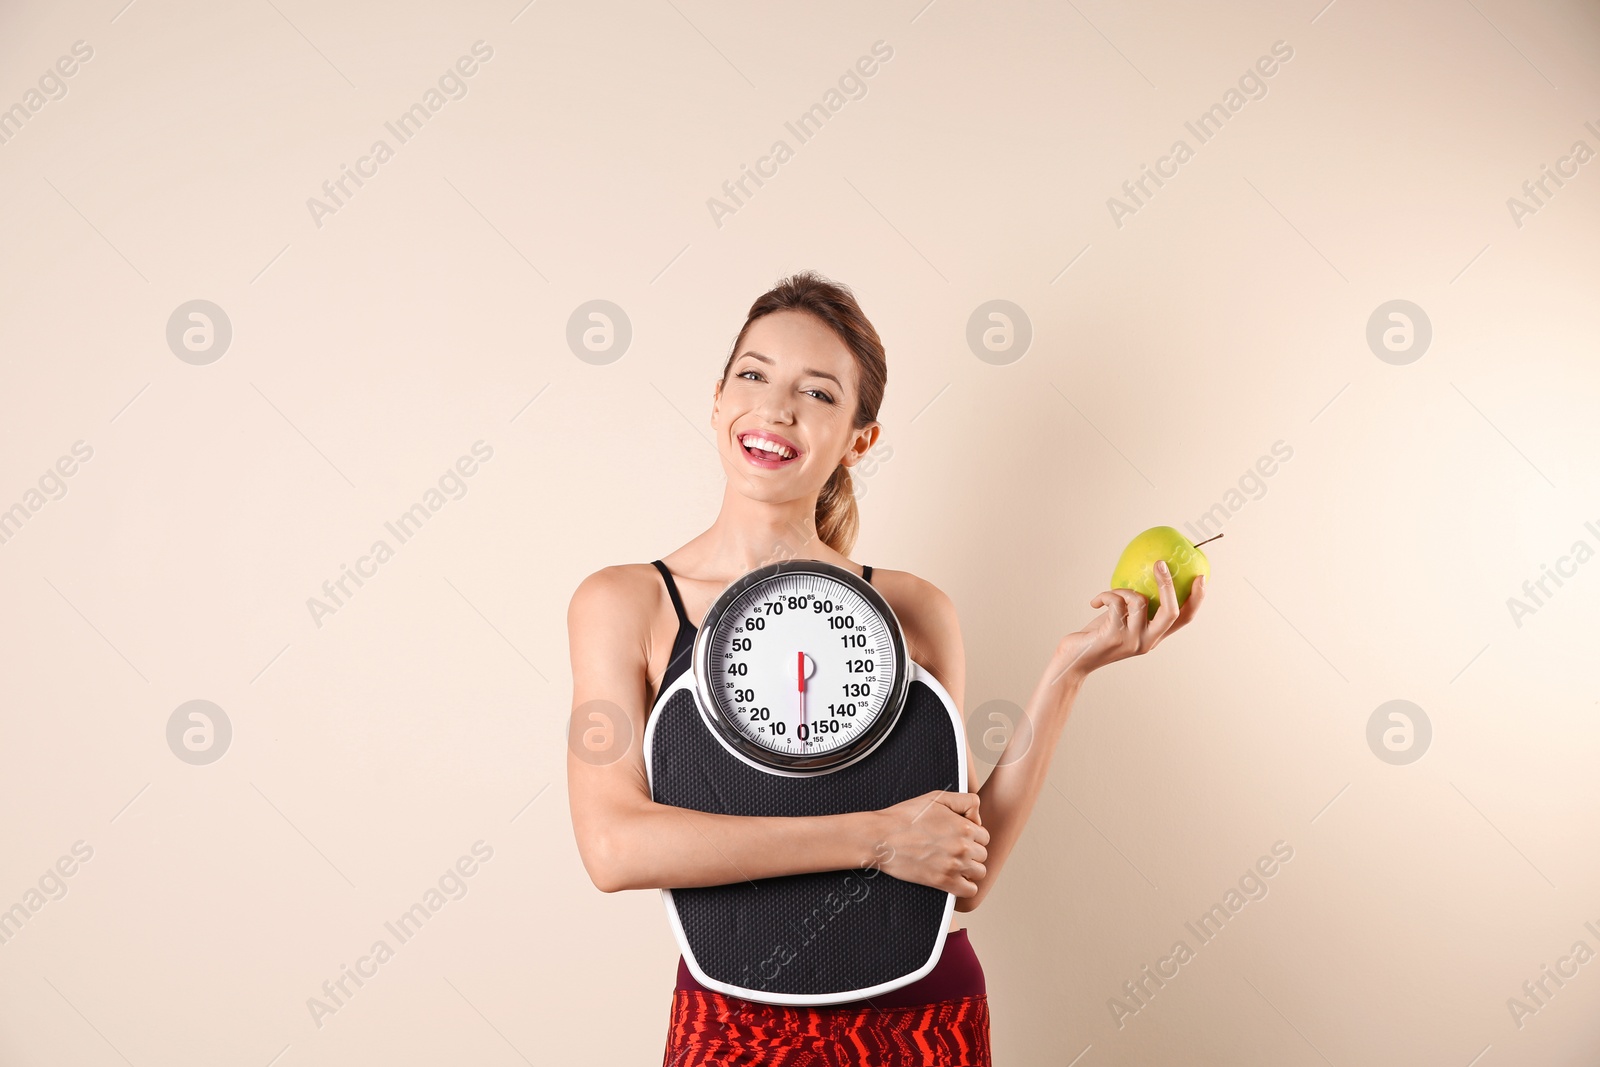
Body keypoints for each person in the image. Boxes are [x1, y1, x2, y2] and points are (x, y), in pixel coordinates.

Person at [565, 270, 1205, 1065]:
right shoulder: (627, 603)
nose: (775, 407)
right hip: (735, 1023)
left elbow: (962, 874)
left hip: (922, 1020)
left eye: (819, 393)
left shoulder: (914, 612)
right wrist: (875, 839)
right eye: (754, 374)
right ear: (719, 398)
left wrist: (1067, 671)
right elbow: (614, 845)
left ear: (858, 441)